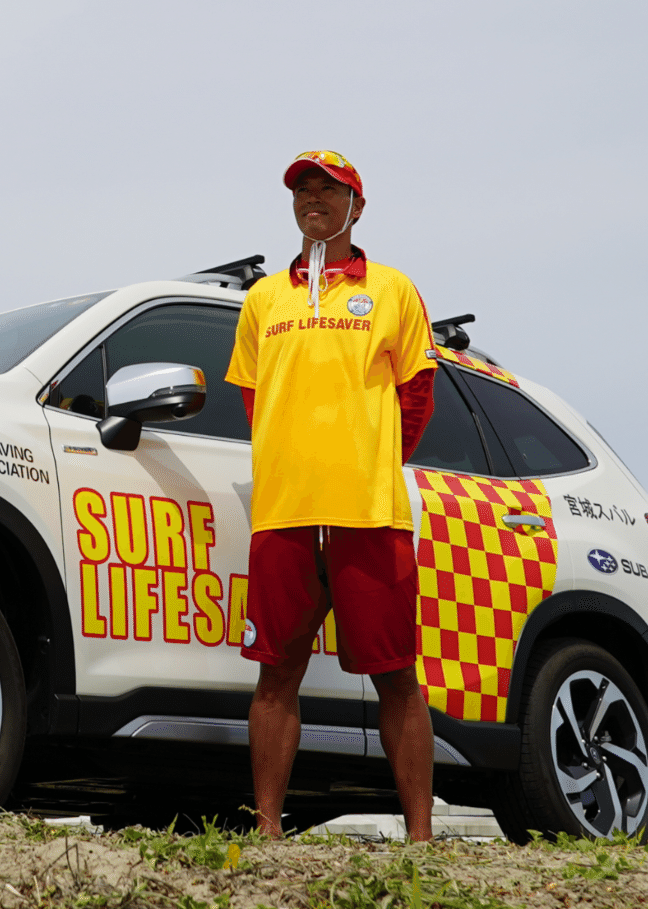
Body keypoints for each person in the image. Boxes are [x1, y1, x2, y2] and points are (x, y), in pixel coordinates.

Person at [223, 150, 438, 841]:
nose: (313, 198)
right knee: (274, 674)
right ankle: (266, 829)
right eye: (303, 189)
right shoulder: (262, 299)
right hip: (284, 513)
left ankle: (421, 838)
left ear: (357, 205)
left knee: (396, 675)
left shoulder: (395, 290)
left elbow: (417, 398)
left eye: (329, 188)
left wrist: (363, 462)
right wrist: (301, 464)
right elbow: (257, 404)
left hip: (368, 512)